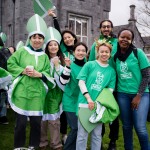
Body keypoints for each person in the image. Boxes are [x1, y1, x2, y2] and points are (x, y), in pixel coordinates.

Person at [7, 14, 55, 150]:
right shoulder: (22, 51)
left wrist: (39, 74)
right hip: (22, 91)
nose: (37, 40)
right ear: (30, 38)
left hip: (37, 94)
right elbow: (10, 63)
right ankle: (19, 147)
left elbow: (49, 74)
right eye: (35, 37)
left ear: (43, 40)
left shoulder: (45, 57)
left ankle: (33, 146)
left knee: (36, 123)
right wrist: (22, 71)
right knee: (21, 123)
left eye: (40, 37)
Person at [113, 28, 150, 150]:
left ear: (131, 40)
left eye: (128, 38)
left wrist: (138, 95)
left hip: (141, 94)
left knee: (140, 127)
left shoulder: (137, 53)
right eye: (122, 37)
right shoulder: (115, 55)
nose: (125, 40)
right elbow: (113, 74)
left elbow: (146, 76)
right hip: (122, 94)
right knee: (126, 126)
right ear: (118, 38)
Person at [76, 41, 116, 150]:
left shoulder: (111, 71)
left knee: (97, 136)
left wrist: (98, 103)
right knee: (82, 136)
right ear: (97, 52)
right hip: (85, 103)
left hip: (99, 107)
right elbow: (81, 82)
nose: (104, 54)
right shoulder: (90, 64)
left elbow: (110, 90)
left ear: (110, 53)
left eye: (106, 52)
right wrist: (89, 98)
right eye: (101, 51)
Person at [48, 9, 78, 143]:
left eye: (69, 37)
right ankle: (64, 134)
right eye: (65, 38)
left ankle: (77, 132)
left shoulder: (80, 49)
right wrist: (54, 18)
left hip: (76, 84)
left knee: (75, 109)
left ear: (74, 37)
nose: (67, 39)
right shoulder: (63, 50)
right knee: (65, 109)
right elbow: (58, 33)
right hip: (64, 82)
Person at [89, 19, 119, 150]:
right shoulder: (94, 45)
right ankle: (98, 140)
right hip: (98, 85)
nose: (106, 28)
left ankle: (113, 141)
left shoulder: (117, 43)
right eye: (104, 26)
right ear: (100, 29)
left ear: (112, 28)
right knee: (98, 112)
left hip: (114, 84)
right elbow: (90, 64)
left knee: (113, 114)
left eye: (108, 26)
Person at [39, 27, 65, 150]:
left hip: (56, 93)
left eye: (55, 45)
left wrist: (57, 66)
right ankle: (42, 142)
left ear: (58, 47)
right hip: (44, 92)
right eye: (51, 45)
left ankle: (56, 143)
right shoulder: (42, 59)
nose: (53, 47)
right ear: (47, 47)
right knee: (42, 118)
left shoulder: (63, 61)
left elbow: (64, 78)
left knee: (54, 119)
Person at [60, 42, 87, 150]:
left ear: (86, 53)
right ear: (74, 52)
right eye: (78, 50)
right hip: (70, 100)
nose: (81, 52)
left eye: (83, 50)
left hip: (83, 101)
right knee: (75, 128)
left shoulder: (89, 65)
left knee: (81, 129)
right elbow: (63, 81)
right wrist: (67, 66)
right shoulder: (70, 65)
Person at [0, 32, 11, 125]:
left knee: (2, 97)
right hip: (4, 76)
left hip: (3, 76)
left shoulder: (5, 51)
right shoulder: (5, 51)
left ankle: (3, 116)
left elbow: (8, 63)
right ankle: (3, 116)